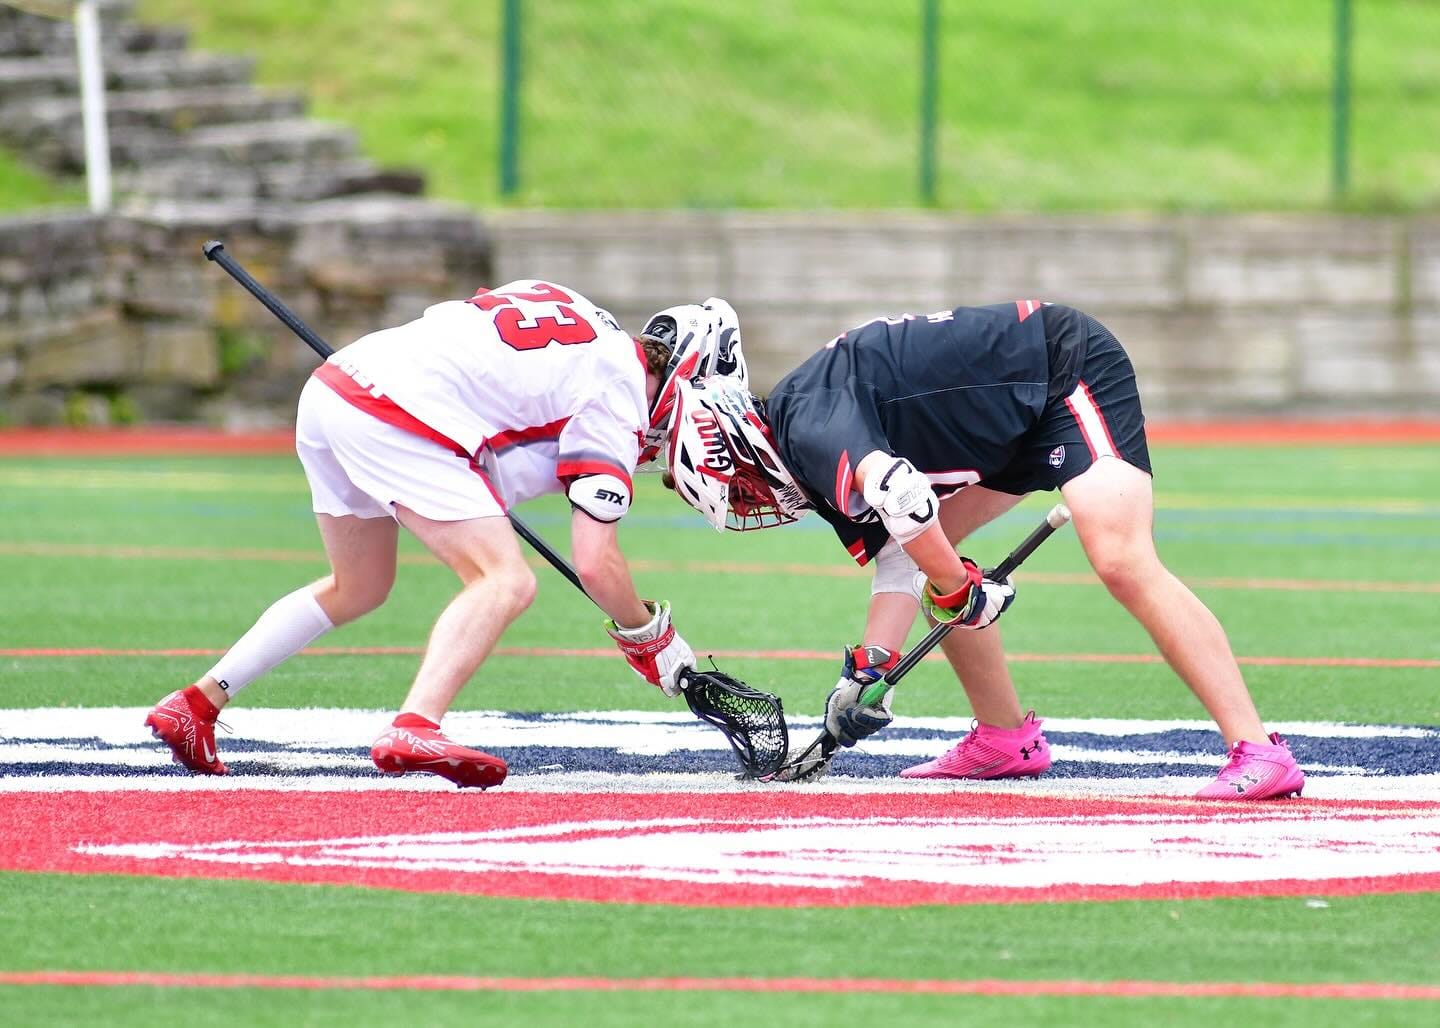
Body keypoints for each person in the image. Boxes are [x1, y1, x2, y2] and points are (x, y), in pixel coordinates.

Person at [662, 299, 1306, 800]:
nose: (751, 504)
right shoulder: (800, 436)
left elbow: (903, 495)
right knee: (930, 556)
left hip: (1062, 370)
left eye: (739, 490)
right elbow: (901, 551)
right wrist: (868, 669)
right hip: (1008, 415)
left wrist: (961, 591)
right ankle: (1005, 736)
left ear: (742, 448)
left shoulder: (807, 427)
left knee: (1120, 559)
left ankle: (1259, 749)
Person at [145, 284, 743, 789]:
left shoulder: (577, 314)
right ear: (686, 372)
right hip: (398, 412)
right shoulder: (619, 395)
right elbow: (595, 561)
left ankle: (197, 703)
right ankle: (416, 724)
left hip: (336, 386)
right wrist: (651, 639)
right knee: (503, 580)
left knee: (359, 586)